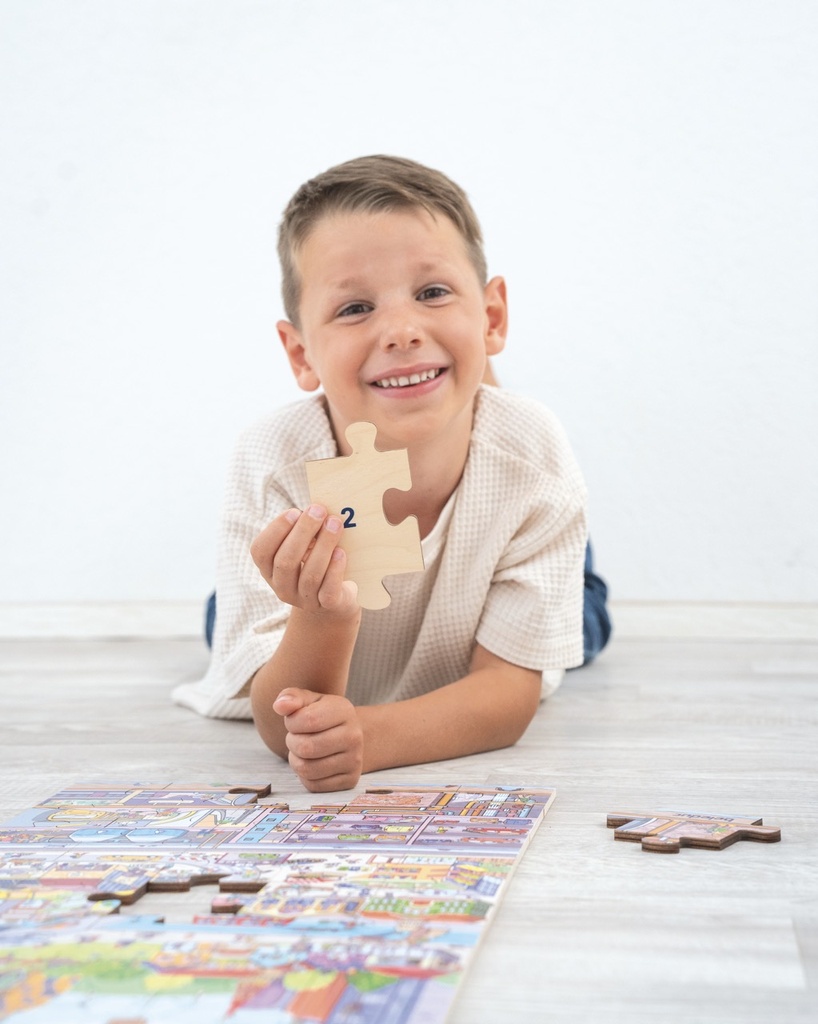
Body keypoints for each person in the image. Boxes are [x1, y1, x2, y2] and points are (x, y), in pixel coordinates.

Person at [173, 154, 605, 792]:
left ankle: (481, 417)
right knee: (227, 626)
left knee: (585, 620)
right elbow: (277, 718)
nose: (401, 330)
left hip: (480, 569)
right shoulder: (271, 459)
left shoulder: (534, 450)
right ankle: (448, 394)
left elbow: (509, 693)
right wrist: (322, 616)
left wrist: (367, 739)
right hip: (314, 603)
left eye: (432, 293)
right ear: (301, 354)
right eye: (354, 308)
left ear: (493, 317)